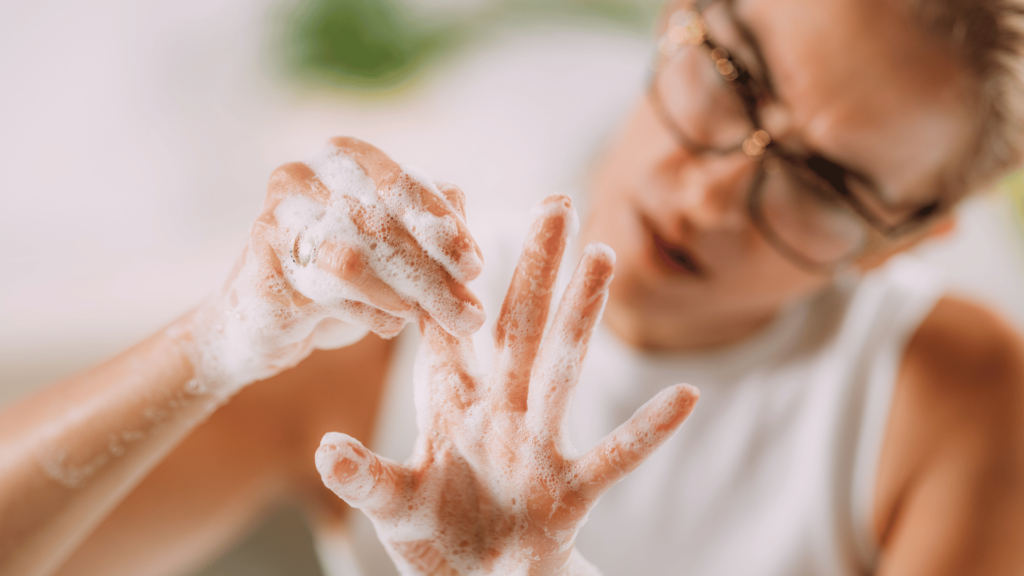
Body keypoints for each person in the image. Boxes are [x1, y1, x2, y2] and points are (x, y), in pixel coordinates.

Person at [2, 0, 1024, 573]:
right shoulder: (385, 314)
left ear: (904, 239)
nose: (715, 190)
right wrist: (212, 346)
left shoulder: (953, 400)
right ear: (676, 20)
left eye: (822, 180)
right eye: (733, 73)